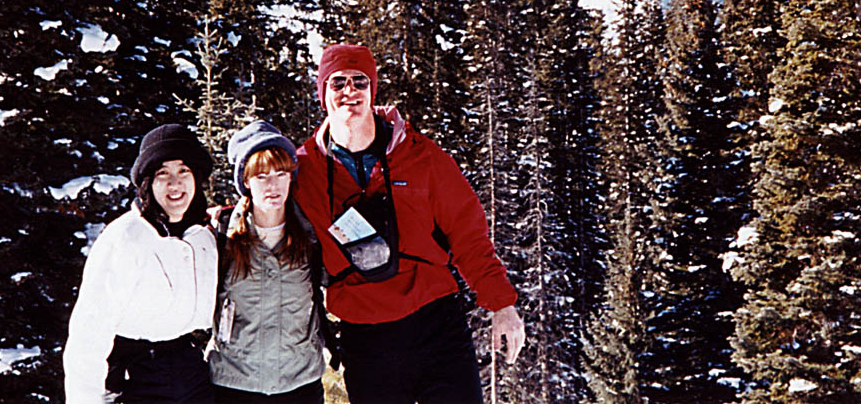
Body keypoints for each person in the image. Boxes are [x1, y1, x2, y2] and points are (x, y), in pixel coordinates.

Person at [293, 43, 526, 404]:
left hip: (435, 322)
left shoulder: (420, 157)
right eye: (337, 83)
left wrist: (502, 305)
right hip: (365, 336)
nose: (349, 91)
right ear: (323, 93)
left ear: (373, 90)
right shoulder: (304, 171)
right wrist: (225, 215)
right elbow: (265, 197)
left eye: (359, 81)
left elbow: (469, 236)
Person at [64, 124, 218, 404]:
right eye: (163, 174)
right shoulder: (126, 238)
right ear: (148, 182)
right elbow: (89, 332)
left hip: (191, 370)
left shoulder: (202, 237)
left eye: (184, 171)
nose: (175, 183)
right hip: (137, 375)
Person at [206, 120, 327, 403]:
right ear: (245, 182)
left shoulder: (312, 234)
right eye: (261, 176)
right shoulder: (220, 235)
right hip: (234, 384)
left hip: (300, 384)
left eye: (281, 173)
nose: (273, 185)